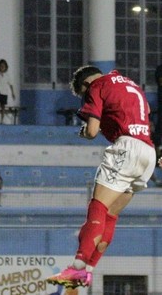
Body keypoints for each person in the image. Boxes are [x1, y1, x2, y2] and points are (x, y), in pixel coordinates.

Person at [46, 66, 156, 289]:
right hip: (148, 152)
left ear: (86, 85)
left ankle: (77, 267)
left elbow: (92, 130)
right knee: (111, 215)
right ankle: (88, 270)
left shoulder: (97, 86)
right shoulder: (129, 83)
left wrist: (85, 131)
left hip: (127, 149)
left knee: (97, 207)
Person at [0, 59, 16, 125]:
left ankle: (2, 119)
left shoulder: (7, 75)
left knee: (3, 106)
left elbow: (11, 84)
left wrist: (13, 93)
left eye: (3, 66)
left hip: (4, 93)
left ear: (5, 67)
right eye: (1, 66)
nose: (2, 68)